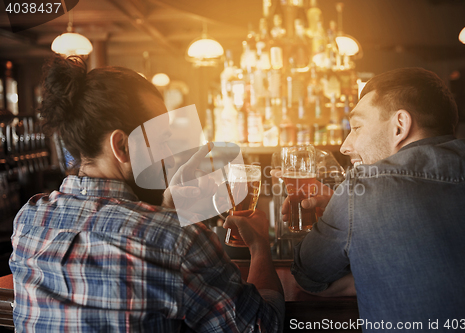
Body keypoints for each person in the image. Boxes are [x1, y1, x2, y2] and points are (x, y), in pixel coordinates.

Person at [9, 56, 284, 332]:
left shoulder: (29, 220)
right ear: (122, 146)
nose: (171, 155)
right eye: (162, 138)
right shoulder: (179, 242)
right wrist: (259, 245)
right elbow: (264, 326)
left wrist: (167, 211)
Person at [287, 68, 465, 331]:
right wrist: (342, 208)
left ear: (400, 125)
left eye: (356, 127)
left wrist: (359, 278)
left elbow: (309, 275)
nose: (345, 146)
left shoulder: (361, 186)